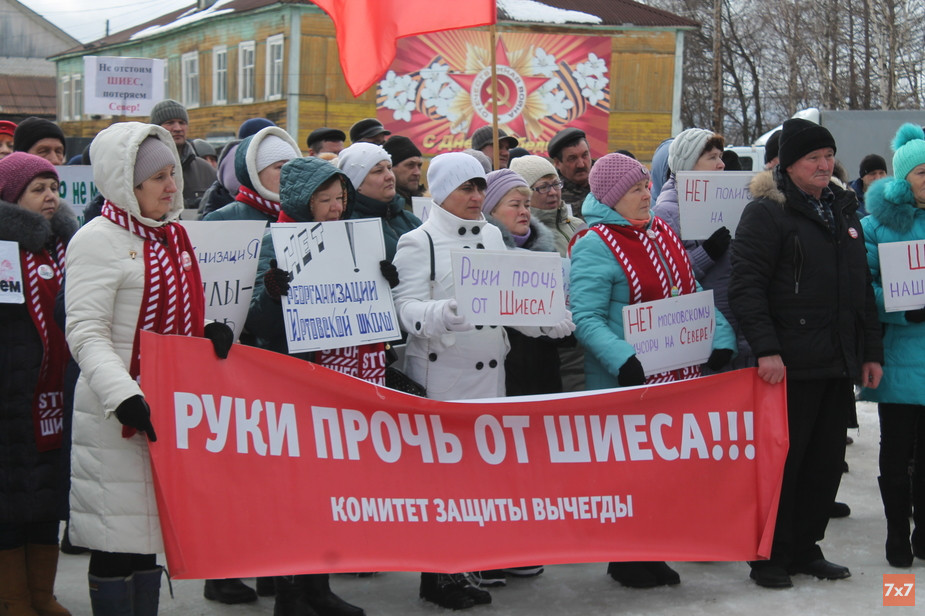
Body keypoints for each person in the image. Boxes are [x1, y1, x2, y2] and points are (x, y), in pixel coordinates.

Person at [64, 122, 233, 614]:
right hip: (115, 414)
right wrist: (124, 395)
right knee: (116, 539)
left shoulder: (172, 236)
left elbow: (178, 317)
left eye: (172, 173)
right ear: (126, 183)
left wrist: (208, 331)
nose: (172, 186)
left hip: (166, 408)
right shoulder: (96, 240)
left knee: (147, 539)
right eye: (158, 177)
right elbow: (86, 332)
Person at [391, 153, 573, 609]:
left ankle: (469, 565)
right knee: (443, 482)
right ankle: (438, 576)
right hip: (444, 378)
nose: (476, 197)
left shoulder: (492, 234)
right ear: (441, 192)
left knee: (477, 479)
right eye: (466, 188)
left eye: (479, 188)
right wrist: (441, 313)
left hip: (491, 376)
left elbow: (506, 302)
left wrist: (544, 322)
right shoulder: (419, 241)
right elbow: (403, 307)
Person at [729, 118, 883, 589]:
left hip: (836, 359)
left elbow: (861, 289)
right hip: (788, 364)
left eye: (828, 155)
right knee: (785, 465)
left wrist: (869, 351)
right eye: (813, 157)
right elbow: (746, 287)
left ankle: (806, 547)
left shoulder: (842, 209)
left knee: (825, 462)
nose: (824, 164)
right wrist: (767, 349)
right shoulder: (767, 213)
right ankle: (770, 555)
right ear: (790, 164)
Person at [569, 152, 735, 589]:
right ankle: (625, 557)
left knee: (665, 468)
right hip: (627, 379)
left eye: (646, 186)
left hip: (674, 376)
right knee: (630, 472)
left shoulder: (661, 232)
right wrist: (623, 359)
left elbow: (692, 293)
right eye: (635, 190)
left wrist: (720, 339)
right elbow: (585, 317)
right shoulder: (594, 243)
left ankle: (653, 547)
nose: (647, 194)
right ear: (611, 198)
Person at [246, 156, 372, 616]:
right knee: (290, 495)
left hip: (332, 380)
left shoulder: (353, 240)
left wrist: (382, 282)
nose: (337, 208)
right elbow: (252, 323)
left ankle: (318, 586)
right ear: (304, 201)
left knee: (325, 490)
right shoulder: (273, 242)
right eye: (326, 200)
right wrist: (271, 293)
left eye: (341, 199)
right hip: (287, 381)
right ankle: (288, 593)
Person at [201, 125, 301, 602]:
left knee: (279, 477)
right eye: (280, 167)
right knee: (236, 476)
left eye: (293, 166)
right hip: (238, 359)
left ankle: (272, 567)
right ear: (255, 173)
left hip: (286, 357)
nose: (289, 175)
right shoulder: (224, 220)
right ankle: (221, 571)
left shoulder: (300, 217)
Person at [0, 152, 77, 616]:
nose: (50, 197)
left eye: (53, 188)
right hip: (12, 396)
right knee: (9, 501)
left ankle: (42, 594)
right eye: (38, 189)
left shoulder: (68, 245)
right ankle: (13, 600)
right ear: (12, 198)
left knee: (47, 497)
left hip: (57, 394)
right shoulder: (3, 249)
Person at [859, 123, 925, 567]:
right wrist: (905, 309)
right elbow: (863, 290)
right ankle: (897, 533)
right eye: (922, 172)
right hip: (899, 357)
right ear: (903, 178)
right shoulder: (876, 226)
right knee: (897, 452)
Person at [651, 128, 751, 370]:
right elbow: (665, 277)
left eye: (720, 156)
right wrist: (706, 254)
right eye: (712, 157)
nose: (721, 164)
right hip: (702, 332)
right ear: (688, 165)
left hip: (740, 322)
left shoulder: (729, 202)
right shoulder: (667, 211)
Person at [509, 154, 587, 392]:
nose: (553, 192)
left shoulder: (577, 225)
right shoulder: (524, 235)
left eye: (556, 184)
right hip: (551, 340)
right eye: (543, 187)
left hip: (584, 328)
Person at [483, 169, 561, 396]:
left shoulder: (547, 252)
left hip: (545, 371)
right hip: (503, 372)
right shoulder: (483, 255)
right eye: (515, 204)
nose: (524, 211)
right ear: (491, 210)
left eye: (527, 205)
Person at [338, 142, 422, 261]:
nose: (389, 176)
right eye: (378, 171)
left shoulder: (410, 219)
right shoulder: (347, 226)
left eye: (389, 168)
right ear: (357, 183)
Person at [204, 126, 301, 225]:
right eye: (280, 167)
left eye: (295, 167)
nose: (290, 173)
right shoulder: (222, 219)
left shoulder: (305, 216)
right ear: (255, 174)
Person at [149, 99, 217, 210]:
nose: (178, 128)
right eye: (170, 122)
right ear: (156, 128)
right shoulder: (144, 169)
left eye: (182, 123)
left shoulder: (206, 170)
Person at [548, 127, 592, 217]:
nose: (581, 164)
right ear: (558, 163)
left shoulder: (607, 185)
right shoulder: (552, 195)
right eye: (572, 158)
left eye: (585, 155)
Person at [382, 135, 424, 207]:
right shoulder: (384, 206)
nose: (417, 173)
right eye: (410, 165)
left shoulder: (427, 202)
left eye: (419, 165)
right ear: (391, 168)